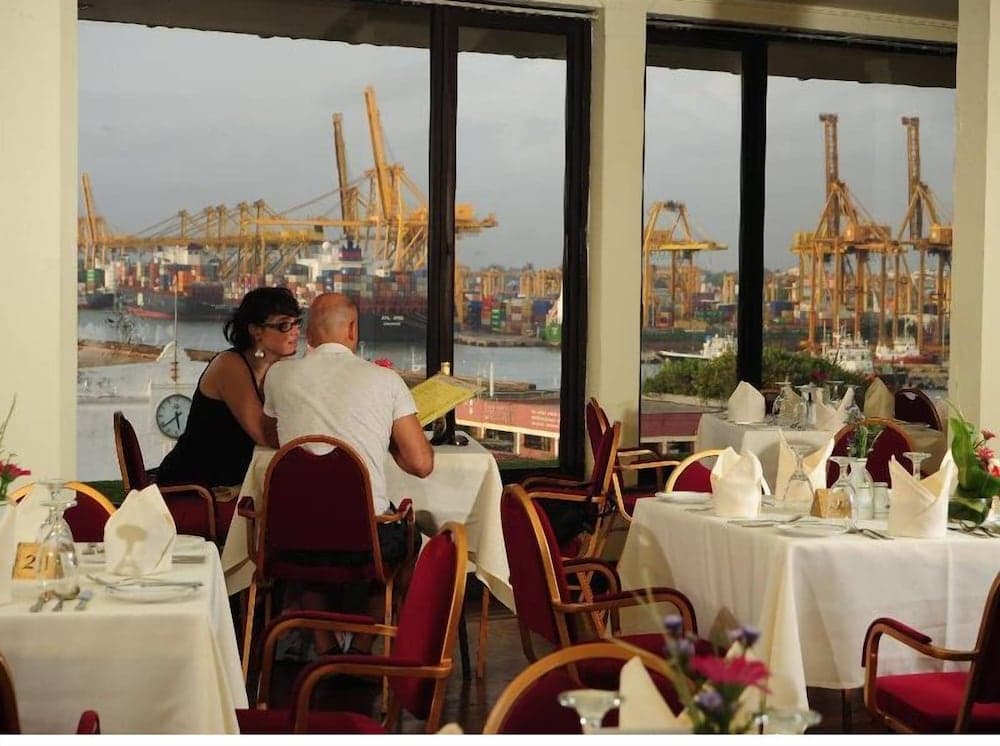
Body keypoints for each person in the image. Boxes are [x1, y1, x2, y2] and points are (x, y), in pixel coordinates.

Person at [263, 291, 433, 522]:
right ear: (352, 329)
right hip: (367, 533)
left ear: (308, 335)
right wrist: (384, 436)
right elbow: (421, 464)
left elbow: (271, 435)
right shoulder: (387, 379)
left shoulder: (277, 375)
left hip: (292, 532)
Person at [156, 286, 302, 491]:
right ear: (256, 331)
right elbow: (264, 435)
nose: (295, 331)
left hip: (232, 480)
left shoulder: (276, 369)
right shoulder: (229, 365)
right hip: (195, 485)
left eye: (297, 323)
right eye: (284, 325)